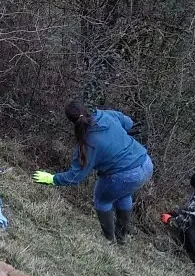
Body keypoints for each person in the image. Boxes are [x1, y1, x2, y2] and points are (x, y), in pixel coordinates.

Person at [32, 101, 154, 244]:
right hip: (146, 163)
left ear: (71, 121)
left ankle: (109, 240)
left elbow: (75, 176)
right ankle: (122, 238)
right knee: (124, 194)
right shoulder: (105, 115)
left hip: (125, 175)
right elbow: (128, 123)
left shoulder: (87, 144)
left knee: (102, 201)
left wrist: (52, 179)